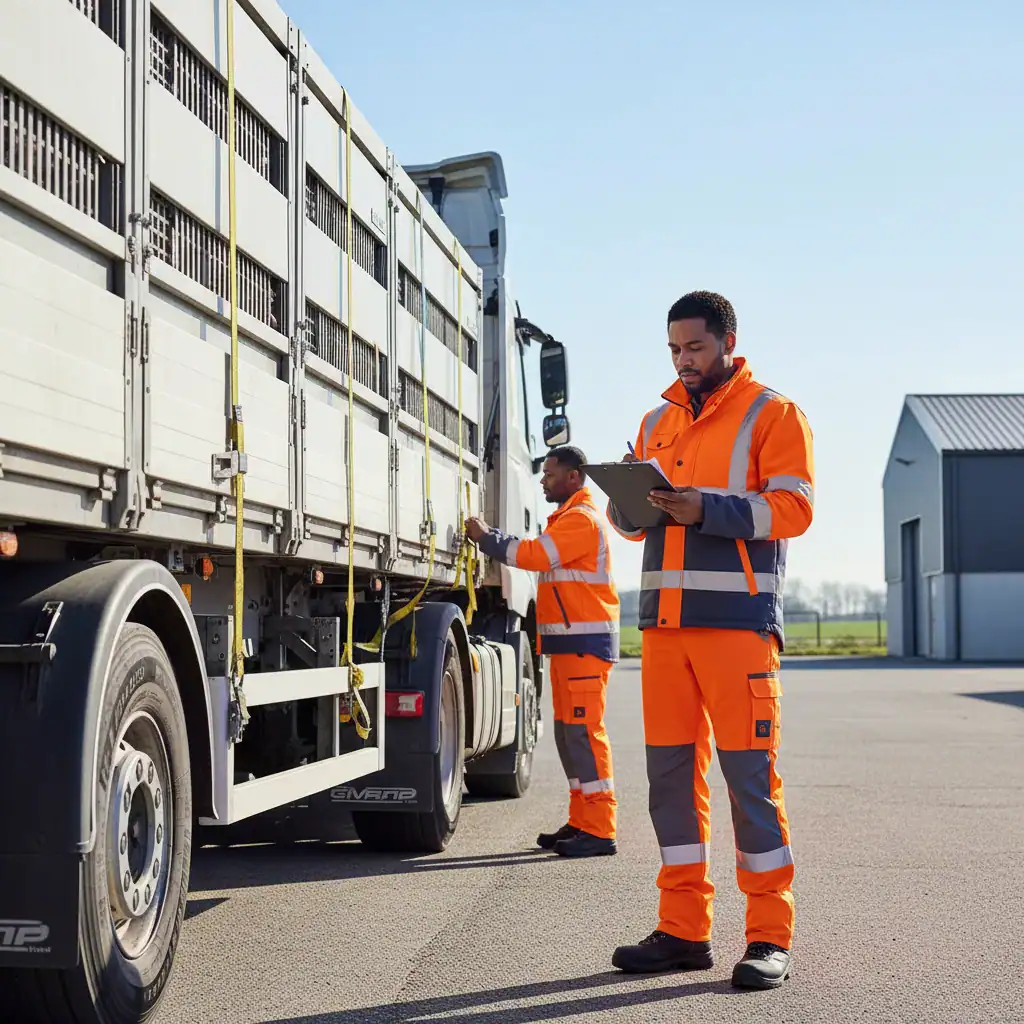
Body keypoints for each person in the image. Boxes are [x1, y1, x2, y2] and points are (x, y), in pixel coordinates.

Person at [606, 291, 814, 990]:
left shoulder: (773, 413)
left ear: (728, 340)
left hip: (737, 630)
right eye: (674, 350)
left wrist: (708, 508)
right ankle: (682, 930)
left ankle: (767, 938)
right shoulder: (656, 419)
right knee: (669, 783)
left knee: (750, 782)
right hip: (663, 632)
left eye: (694, 348)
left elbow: (795, 508)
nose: (684, 361)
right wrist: (625, 501)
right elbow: (636, 528)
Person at [465, 446, 620, 858]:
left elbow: (534, 556)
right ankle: (582, 822)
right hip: (570, 647)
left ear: (573, 478)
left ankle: (600, 829)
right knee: (570, 737)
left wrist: (487, 539)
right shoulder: (569, 518)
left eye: (550, 474)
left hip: (584, 648)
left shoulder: (581, 521)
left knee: (585, 736)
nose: (543, 480)